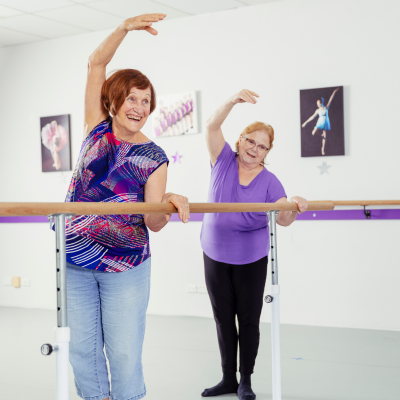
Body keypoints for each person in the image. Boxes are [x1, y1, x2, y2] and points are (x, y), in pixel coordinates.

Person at [64, 14, 190, 400]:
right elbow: (96, 64)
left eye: (146, 101)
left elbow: (152, 222)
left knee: (123, 352)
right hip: (74, 259)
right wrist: (123, 28)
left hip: (125, 265)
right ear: (114, 101)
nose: (138, 107)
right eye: (131, 98)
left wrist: (168, 203)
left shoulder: (154, 156)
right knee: (82, 350)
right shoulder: (95, 127)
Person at [200, 89, 308, 400]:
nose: (254, 149)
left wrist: (293, 206)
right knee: (223, 319)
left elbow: (283, 220)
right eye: (251, 141)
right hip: (215, 253)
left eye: (262, 147)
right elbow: (210, 126)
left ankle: (245, 380)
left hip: (251, 258)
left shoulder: (271, 182)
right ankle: (226, 378)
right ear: (240, 139)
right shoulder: (221, 160)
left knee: (247, 320)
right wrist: (232, 101)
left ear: (266, 153)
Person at [302, 87, 340, 155]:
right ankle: (321, 136)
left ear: (321, 102)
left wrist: (334, 91)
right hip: (320, 122)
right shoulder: (317, 110)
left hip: (325, 122)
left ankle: (323, 148)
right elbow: (312, 117)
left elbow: (331, 99)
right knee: (313, 133)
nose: (318, 104)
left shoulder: (326, 108)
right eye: (317, 104)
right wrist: (305, 122)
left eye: (318, 103)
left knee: (325, 134)